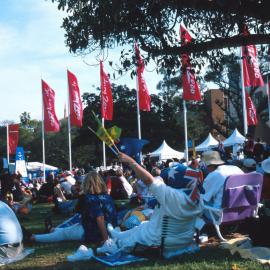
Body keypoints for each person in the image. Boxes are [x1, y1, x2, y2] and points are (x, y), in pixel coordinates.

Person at [97, 152, 202, 256]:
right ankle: (119, 235)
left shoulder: (173, 196)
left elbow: (148, 180)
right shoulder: (197, 199)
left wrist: (131, 161)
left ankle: (114, 244)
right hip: (181, 240)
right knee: (143, 225)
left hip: (161, 241)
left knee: (140, 231)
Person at [33, 171, 117, 244]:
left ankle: (34, 238)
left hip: (93, 231)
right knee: (68, 229)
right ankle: (52, 230)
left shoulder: (89, 198)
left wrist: (105, 239)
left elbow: (100, 218)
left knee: (64, 233)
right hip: (111, 230)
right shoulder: (108, 197)